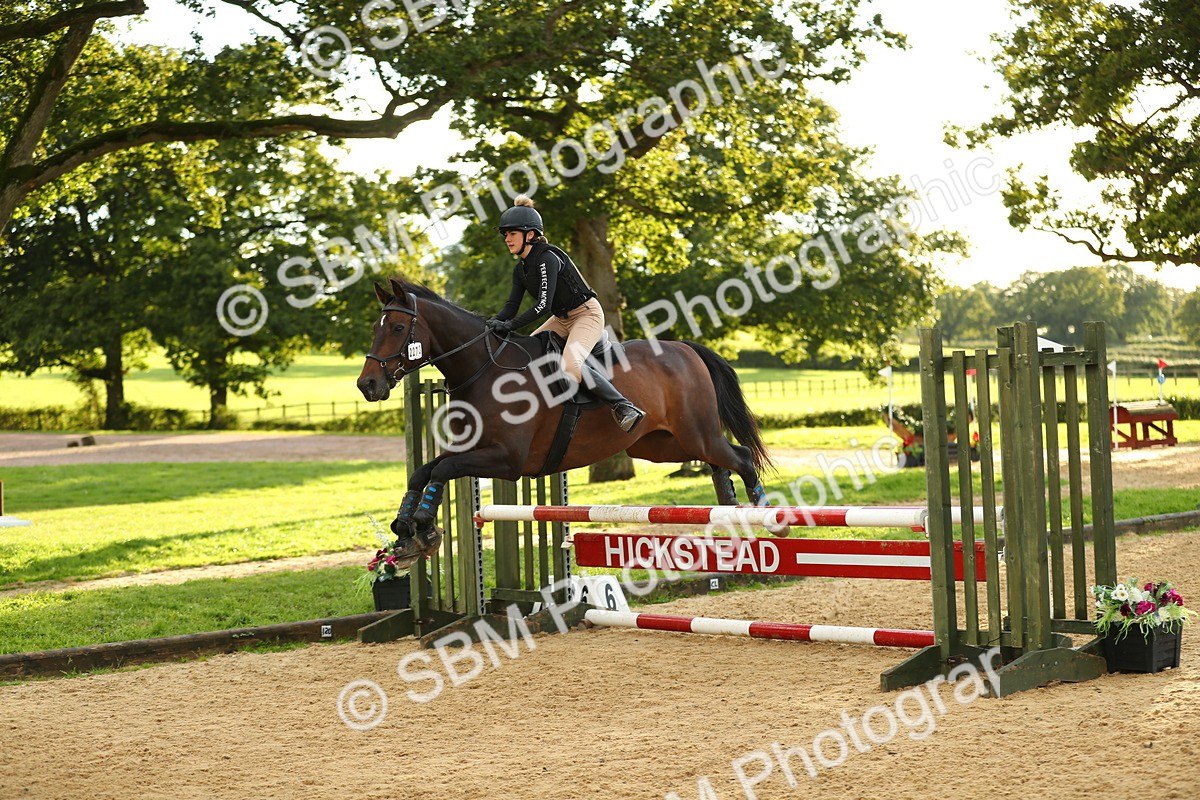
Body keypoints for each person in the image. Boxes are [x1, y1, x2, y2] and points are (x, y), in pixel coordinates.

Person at [487, 195, 645, 432]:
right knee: (526, 352)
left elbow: (542, 306)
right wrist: (490, 324)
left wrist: (509, 326)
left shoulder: (547, 258)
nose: (507, 238)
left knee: (571, 364)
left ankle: (624, 407)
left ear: (530, 235)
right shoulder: (520, 269)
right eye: (505, 234)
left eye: (512, 233)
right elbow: (511, 307)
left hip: (586, 315)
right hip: (561, 319)